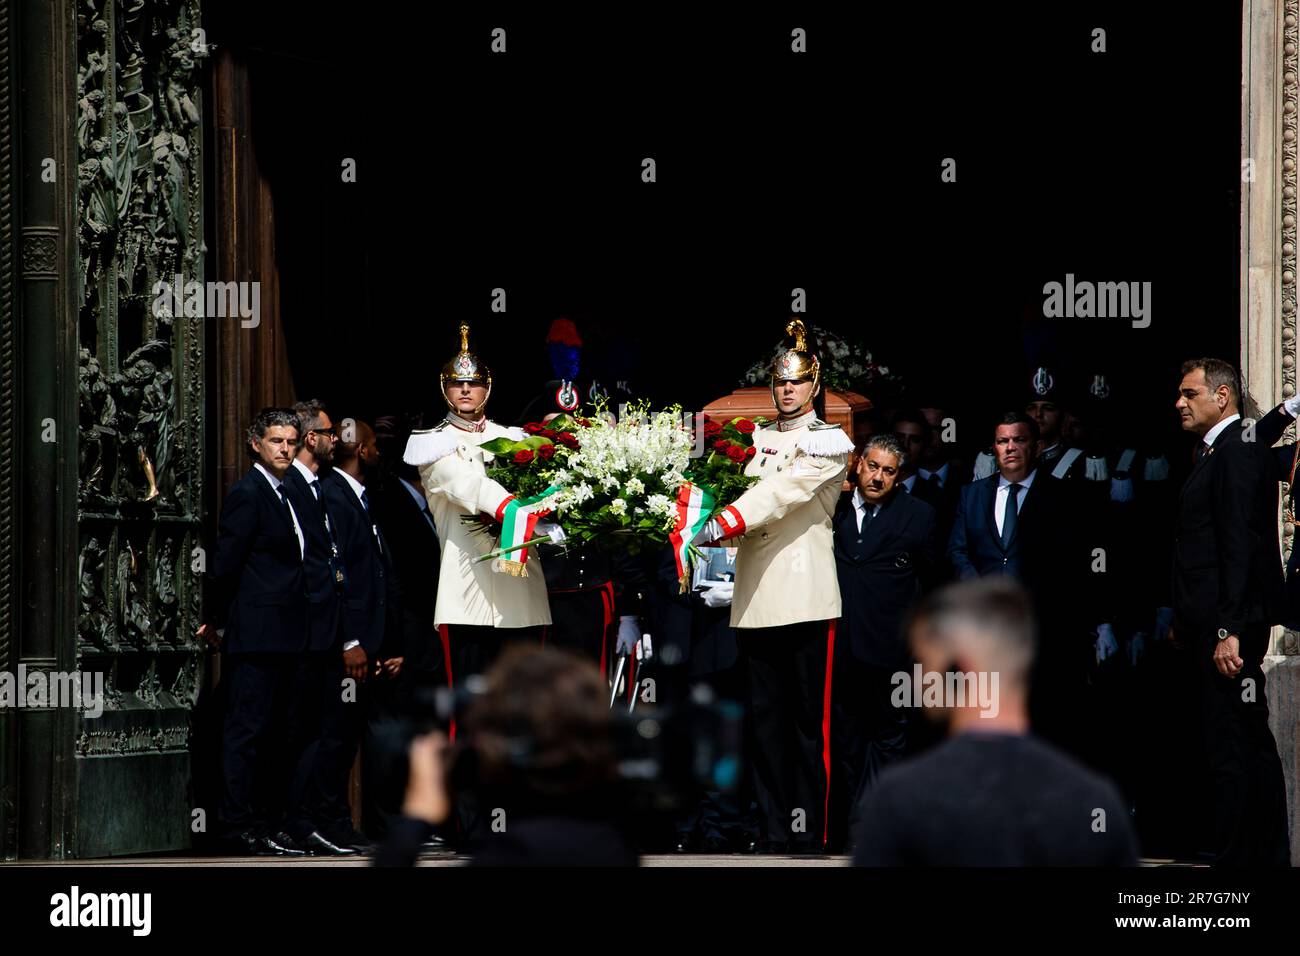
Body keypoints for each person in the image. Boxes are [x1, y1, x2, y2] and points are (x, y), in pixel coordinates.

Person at [693, 318, 853, 853]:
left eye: (796, 382)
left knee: (811, 725)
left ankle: (818, 830)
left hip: (806, 596)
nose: (786, 390)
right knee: (766, 725)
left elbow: (782, 493)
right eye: (779, 382)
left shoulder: (830, 442)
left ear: (814, 385)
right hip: (757, 598)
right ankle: (776, 829)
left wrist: (726, 520)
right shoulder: (753, 439)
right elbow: (718, 487)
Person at [852, 577, 1140, 866]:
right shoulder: (1092, 801)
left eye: (926, 664)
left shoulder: (899, 802)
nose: (917, 680)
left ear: (959, 670)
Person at [1171, 358, 1290, 866]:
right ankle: (1259, 851)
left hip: (1230, 626)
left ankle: (1242, 856)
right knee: (1241, 736)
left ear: (1222, 397)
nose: (1179, 403)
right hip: (1211, 623)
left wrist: (1229, 629)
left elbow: (1239, 546)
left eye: (1189, 393)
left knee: (1234, 743)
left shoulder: (1235, 452)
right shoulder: (1220, 450)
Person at [946, 412, 1105, 754]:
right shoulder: (971, 495)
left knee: (1045, 726)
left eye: (1019, 440)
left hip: (1044, 632)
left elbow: (1071, 563)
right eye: (1003, 442)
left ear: (1037, 447)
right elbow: (958, 552)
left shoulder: (1061, 497)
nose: (1010, 448)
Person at [401, 323, 551, 688]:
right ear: (445, 389)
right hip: (466, 595)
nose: (465, 389)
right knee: (471, 710)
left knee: (526, 707)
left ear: (487, 387)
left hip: (520, 590)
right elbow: (466, 485)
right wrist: (518, 508)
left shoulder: (514, 439)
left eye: (473, 383)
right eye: (456, 383)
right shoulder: (431, 444)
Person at [198, 408, 308, 856]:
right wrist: (216, 618)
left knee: (277, 734)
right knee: (246, 732)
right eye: (276, 441)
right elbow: (226, 563)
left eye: (291, 442)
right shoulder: (249, 493)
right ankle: (237, 826)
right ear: (255, 445)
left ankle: (267, 821)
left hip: (287, 635)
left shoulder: (286, 493)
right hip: (258, 633)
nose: (285, 448)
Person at [829, 434, 938, 851]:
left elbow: (930, 582)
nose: (877, 477)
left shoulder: (920, 515)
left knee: (891, 740)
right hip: (840, 648)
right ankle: (845, 828)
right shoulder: (833, 509)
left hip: (892, 651)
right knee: (845, 740)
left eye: (888, 471)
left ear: (900, 477)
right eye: (872, 466)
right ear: (857, 465)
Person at [318, 419, 404, 850]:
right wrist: (351, 641)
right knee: (336, 736)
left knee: (363, 734)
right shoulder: (333, 495)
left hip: (372, 646)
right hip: (349, 647)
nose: (376, 451)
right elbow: (341, 576)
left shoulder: (361, 498)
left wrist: (386, 643)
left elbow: (379, 574)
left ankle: (370, 824)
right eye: (371, 444)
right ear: (363, 450)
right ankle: (329, 823)